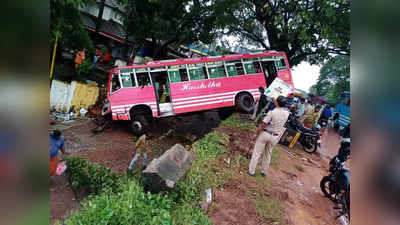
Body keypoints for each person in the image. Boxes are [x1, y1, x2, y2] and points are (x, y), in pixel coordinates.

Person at [248, 96, 290, 177]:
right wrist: (276, 102)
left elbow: (263, 125)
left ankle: (251, 171)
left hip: (265, 134)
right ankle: (263, 171)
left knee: (257, 153)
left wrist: (256, 134)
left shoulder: (272, 112)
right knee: (268, 154)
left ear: (277, 102)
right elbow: (280, 108)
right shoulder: (286, 114)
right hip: (275, 136)